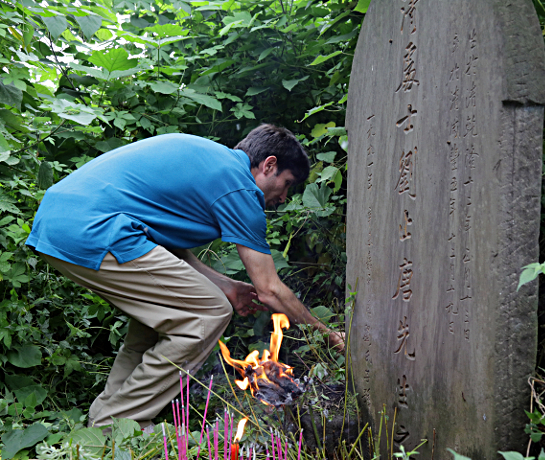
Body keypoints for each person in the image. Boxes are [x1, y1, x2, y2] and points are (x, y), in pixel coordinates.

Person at [26, 124, 344, 429]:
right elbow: (270, 290)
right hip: (92, 228)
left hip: (63, 219)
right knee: (207, 312)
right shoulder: (240, 188)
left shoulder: (213, 164)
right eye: (287, 183)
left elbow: (162, 245)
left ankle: (107, 423)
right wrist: (326, 334)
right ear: (268, 165)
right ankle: (119, 421)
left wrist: (226, 285)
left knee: (166, 316)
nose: (284, 197)